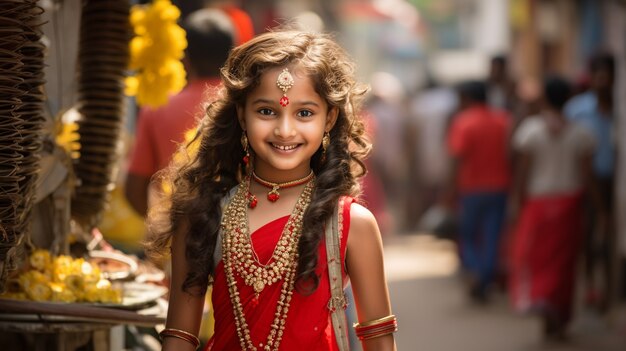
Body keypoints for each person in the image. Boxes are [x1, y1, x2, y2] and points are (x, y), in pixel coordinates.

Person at [146, 30, 398, 351]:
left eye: (304, 113)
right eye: (266, 111)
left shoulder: (352, 223)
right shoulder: (203, 215)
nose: (285, 130)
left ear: (329, 118)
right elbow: (180, 335)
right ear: (242, 114)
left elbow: (378, 338)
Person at [508, 76, 597, 339]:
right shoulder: (581, 133)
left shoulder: (531, 130)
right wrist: (598, 209)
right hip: (570, 205)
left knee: (539, 260)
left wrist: (515, 202)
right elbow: (587, 176)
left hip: (538, 205)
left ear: (544, 98)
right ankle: (560, 317)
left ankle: (545, 310)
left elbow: (522, 173)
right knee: (565, 264)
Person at [125, 8, 235, 217]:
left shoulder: (157, 107)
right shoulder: (245, 106)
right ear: (233, 56)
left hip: (175, 236)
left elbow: (134, 190)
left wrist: (165, 228)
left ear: (185, 57)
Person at [444, 80, 512, 302]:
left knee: (468, 236)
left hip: (471, 189)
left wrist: (450, 188)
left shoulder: (464, 122)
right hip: (500, 187)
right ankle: (486, 275)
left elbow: (457, 157)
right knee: (492, 235)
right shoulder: (504, 120)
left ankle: (477, 272)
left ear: (467, 98)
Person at [563, 52, 615, 312]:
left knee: (610, 241)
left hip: (614, 185)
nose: (602, 81)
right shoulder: (577, 111)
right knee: (587, 239)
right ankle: (591, 288)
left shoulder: (619, 110)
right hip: (585, 184)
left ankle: (610, 291)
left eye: (607, 76)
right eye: (598, 76)